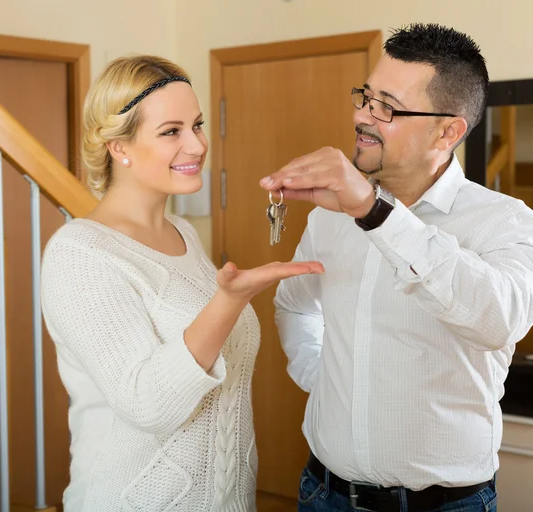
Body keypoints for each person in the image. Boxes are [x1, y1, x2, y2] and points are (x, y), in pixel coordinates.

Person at [260, 23, 533, 512]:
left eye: (387, 107)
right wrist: (326, 379)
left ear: (448, 130)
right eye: (365, 97)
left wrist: (376, 214)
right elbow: (294, 305)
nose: (362, 117)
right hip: (323, 495)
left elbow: (498, 320)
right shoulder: (328, 221)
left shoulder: (507, 223)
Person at [40, 55, 323, 512]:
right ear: (119, 146)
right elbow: (147, 405)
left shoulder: (184, 236)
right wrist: (229, 302)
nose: (196, 145)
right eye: (171, 131)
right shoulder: (81, 254)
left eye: (198, 125)